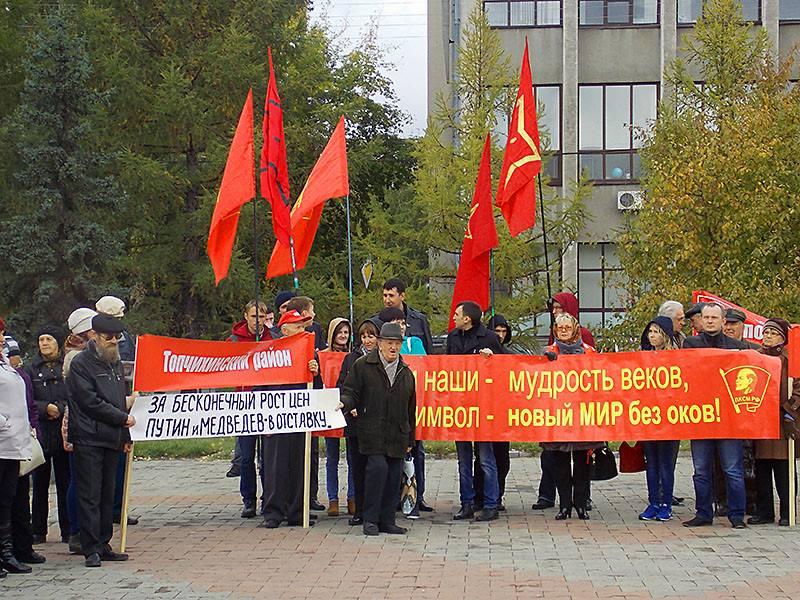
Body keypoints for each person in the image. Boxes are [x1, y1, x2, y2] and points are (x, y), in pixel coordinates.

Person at [65, 313, 134, 567]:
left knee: (107, 494)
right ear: (94, 336)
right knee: (90, 494)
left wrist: (125, 434)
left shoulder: (114, 363)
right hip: (89, 436)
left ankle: (104, 542)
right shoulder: (81, 364)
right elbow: (89, 401)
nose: (113, 341)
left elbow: (118, 397)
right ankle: (90, 547)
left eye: (117, 337)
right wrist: (121, 419)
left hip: (112, 437)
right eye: (108, 337)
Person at [340, 322, 416, 536]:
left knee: (393, 477)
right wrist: (345, 403)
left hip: (397, 434)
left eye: (397, 344)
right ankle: (370, 519)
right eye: (389, 343)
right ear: (380, 344)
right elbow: (351, 391)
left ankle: (388, 520)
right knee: (377, 470)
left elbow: (411, 409)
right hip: (372, 432)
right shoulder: (363, 365)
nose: (393, 348)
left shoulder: (406, 372)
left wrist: (411, 439)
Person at [682, 303, 749, 529]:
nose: (710, 321)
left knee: (732, 470)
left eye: (714, 317)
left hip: (729, 420)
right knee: (701, 470)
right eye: (706, 317)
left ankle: (737, 515)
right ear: (701, 320)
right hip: (700, 417)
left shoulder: (737, 348)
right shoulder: (690, 345)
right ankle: (703, 513)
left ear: (723, 321)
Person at [261, 309, 322, 528]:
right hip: (276, 416)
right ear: (284, 330)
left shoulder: (309, 353)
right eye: (298, 327)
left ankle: (298, 511)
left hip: (300, 415)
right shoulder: (271, 351)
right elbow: (260, 386)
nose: (302, 331)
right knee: (276, 466)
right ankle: (274, 513)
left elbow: (318, 387)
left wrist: (315, 373)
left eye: (304, 327)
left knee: (300, 464)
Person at [541, 313, 602, 520]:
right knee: (560, 466)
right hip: (557, 417)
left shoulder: (589, 352)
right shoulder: (548, 352)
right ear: (555, 330)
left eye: (568, 327)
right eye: (560, 328)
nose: (564, 331)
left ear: (576, 329)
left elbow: (601, 382)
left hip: (583, 417)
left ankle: (581, 504)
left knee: (583, 465)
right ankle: (564, 505)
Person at [447, 301, 503, 522]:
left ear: (467, 318)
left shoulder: (489, 338)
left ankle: (491, 503)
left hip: (483, 407)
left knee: (486, 459)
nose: (454, 317)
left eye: (457, 314)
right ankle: (466, 503)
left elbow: (505, 369)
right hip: (461, 407)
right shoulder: (453, 337)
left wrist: (492, 359)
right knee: (463, 459)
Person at [378, 306, 431, 519]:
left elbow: (427, 367)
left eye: (402, 323)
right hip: (387, 413)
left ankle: (415, 497)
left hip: (413, 406)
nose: (400, 326)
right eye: (395, 323)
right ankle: (391, 500)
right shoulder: (378, 354)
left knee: (415, 454)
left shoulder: (415, 344)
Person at [749, 319, 800, 526]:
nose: (768, 336)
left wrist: (790, 411)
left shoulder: (790, 360)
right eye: (766, 332)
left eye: (773, 332)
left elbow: (797, 388)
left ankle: (788, 511)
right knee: (761, 469)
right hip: (760, 421)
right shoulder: (756, 357)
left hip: (782, 421)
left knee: (784, 469)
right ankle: (764, 512)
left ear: (783, 337)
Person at [26, 325, 71, 546]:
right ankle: (38, 530)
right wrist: (46, 409)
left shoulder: (67, 367)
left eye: (48, 339)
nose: (44, 343)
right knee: (40, 483)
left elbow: (74, 394)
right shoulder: (31, 370)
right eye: (41, 339)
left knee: (65, 482)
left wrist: (60, 408)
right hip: (42, 432)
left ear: (57, 343)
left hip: (63, 431)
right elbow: (28, 399)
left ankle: (68, 529)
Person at [227, 300, 272, 518]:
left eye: (262, 317)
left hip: (266, 403)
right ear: (246, 316)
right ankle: (249, 499)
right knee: (246, 457)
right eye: (254, 316)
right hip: (244, 405)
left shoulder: (273, 339)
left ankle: (267, 497)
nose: (258, 321)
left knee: (266, 456)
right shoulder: (235, 339)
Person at [338, 317, 382, 526]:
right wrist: (350, 405)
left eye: (371, 336)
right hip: (355, 423)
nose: (367, 340)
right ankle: (360, 510)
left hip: (376, 423)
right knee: (357, 467)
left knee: (375, 468)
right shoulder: (351, 358)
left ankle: (376, 509)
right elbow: (342, 385)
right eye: (364, 336)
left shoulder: (384, 358)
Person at [61, 307, 98, 555]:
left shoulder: (87, 354)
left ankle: (86, 529)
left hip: (89, 423)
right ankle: (75, 530)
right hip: (79, 422)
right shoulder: (76, 357)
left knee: (88, 480)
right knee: (79, 480)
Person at [637, 317, 680, 522]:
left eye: (656, 331)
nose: (652, 336)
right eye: (650, 331)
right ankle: (653, 502)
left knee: (665, 464)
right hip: (648, 418)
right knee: (651, 464)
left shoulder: (677, 358)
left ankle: (666, 504)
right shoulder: (642, 358)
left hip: (669, 419)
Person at [285, 296, 325, 510]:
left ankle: (307, 499)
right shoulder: (276, 341)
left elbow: (318, 380)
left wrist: (315, 372)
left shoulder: (314, 334)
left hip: (306, 407)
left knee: (309, 455)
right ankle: (282, 502)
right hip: (283, 410)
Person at [475, 313, 517, 512]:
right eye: (496, 331)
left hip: (502, 414)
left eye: (503, 331)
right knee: (481, 458)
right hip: (483, 412)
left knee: (502, 458)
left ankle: (497, 495)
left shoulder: (509, 356)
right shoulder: (479, 356)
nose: (500, 335)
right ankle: (479, 496)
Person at [0, 347, 34, 577]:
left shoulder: (4, 362)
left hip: (11, 443)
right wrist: (4, 423)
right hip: (3, 437)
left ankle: (6, 552)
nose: (2, 339)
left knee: (6, 498)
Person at [11, 357, 45, 567]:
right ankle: (9, 549)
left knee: (22, 497)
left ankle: (23, 547)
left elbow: (30, 405)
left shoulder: (19, 375)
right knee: (8, 500)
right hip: (7, 439)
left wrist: (33, 429)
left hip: (21, 441)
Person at [323, 318, 354, 517]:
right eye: (339, 332)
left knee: (352, 457)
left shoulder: (354, 356)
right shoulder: (322, 356)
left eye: (346, 332)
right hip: (329, 408)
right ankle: (332, 499)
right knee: (331, 457)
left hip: (348, 408)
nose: (343, 336)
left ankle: (352, 497)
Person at [379, 278, 433, 354]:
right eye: (385, 295)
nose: (387, 300)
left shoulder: (419, 320)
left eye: (391, 296)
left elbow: (429, 350)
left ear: (402, 296)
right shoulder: (378, 320)